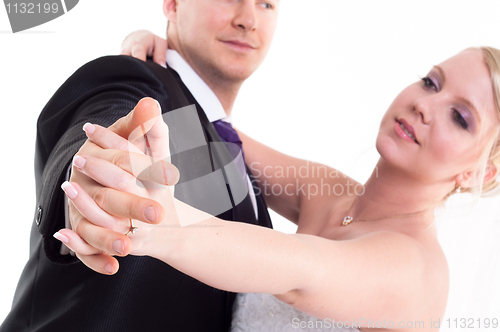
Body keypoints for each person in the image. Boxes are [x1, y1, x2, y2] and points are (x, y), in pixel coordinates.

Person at [53, 46, 500, 331]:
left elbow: (301, 275)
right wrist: (166, 58)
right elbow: (221, 139)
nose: (425, 104)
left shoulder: (416, 269)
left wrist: (160, 226)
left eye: (460, 118)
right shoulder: (331, 193)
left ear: (481, 174)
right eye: (431, 82)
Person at [0, 0, 279, 331]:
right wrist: (91, 184)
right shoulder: (139, 80)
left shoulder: (229, 147)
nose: (248, 19)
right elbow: (109, 120)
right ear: (172, 5)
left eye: (266, 4)